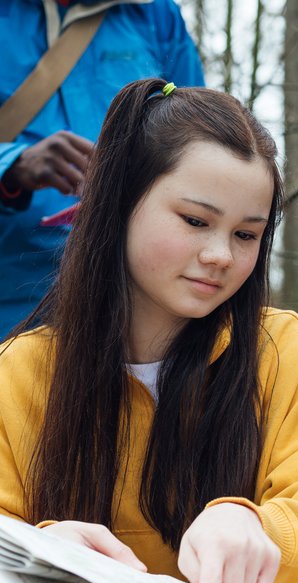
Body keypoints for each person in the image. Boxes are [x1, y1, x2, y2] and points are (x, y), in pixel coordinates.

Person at [0, 79, 298, 583]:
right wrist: (37, 568)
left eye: (247, 234)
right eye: (196, 221)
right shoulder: (19, 371)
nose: (221, 255)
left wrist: (259, 529)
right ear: (120, 203)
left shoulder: (286, 352)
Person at [0, 0, 204, 337]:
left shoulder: (155, 13)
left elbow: (197, 138)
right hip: (13, 296)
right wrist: (12, 163)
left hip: (130, 298)